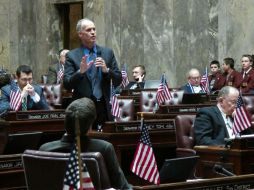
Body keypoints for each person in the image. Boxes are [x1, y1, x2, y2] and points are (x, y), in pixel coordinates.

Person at [39, 97, 132, 190]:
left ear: (65, 122)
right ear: (90, 127)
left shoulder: (45, 150)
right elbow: (124, 187)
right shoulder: (104, 148)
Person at [63, 18, 122, 129]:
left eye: (94, 29)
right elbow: (67, 84)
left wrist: (106, 71)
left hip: (104, 106)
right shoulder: (72, 56)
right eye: (89, 30)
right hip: (83, 108)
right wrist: (80, 72)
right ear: (80, 34)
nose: (93, 32)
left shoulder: (107, 53)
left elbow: (118, 80)